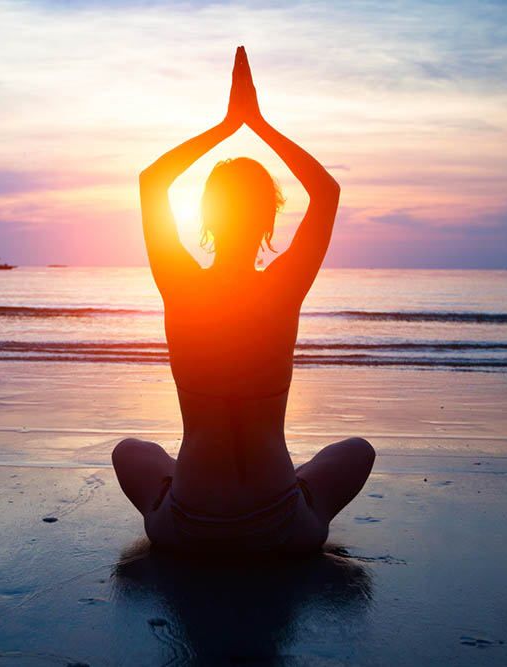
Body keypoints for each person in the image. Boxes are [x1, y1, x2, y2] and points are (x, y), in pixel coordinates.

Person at [113, 46, 374, 554]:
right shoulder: (283, 287)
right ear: (269, 221)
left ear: (206, 219)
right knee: (356, 450)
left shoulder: (180, 283)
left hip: (189, 527)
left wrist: (226, 124)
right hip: (278, 527)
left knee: (130, 452)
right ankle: (296, 490)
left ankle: (177, 492)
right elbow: (326, 192)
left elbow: (152, 182)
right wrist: (258, 122)